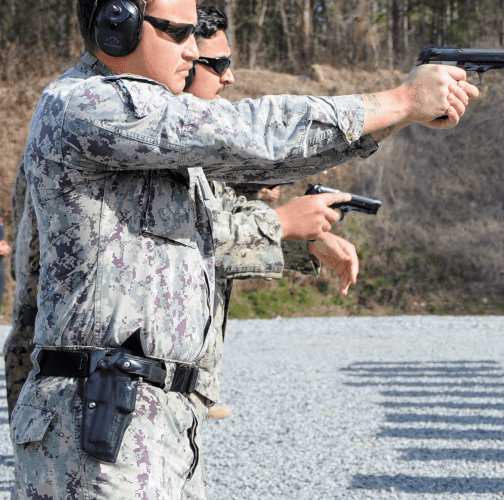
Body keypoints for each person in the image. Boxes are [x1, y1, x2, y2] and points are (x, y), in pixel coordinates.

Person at [10, 0, 478, 497]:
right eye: (176, 32)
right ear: (115, 26)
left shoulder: (147, 132)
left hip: (153, 420)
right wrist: (399, 100)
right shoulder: (88, 104)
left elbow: (259, 172)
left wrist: (401, 116)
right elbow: (249, 134)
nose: (193, 50)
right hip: (100, 421)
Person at [181, 4, 361, 422]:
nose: (230, 77)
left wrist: (308, 243)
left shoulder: (181, 145)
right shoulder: (138, 143)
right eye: (219, 64)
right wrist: (283, 223)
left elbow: (221, 219)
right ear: (183, 61)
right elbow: (187, 246)